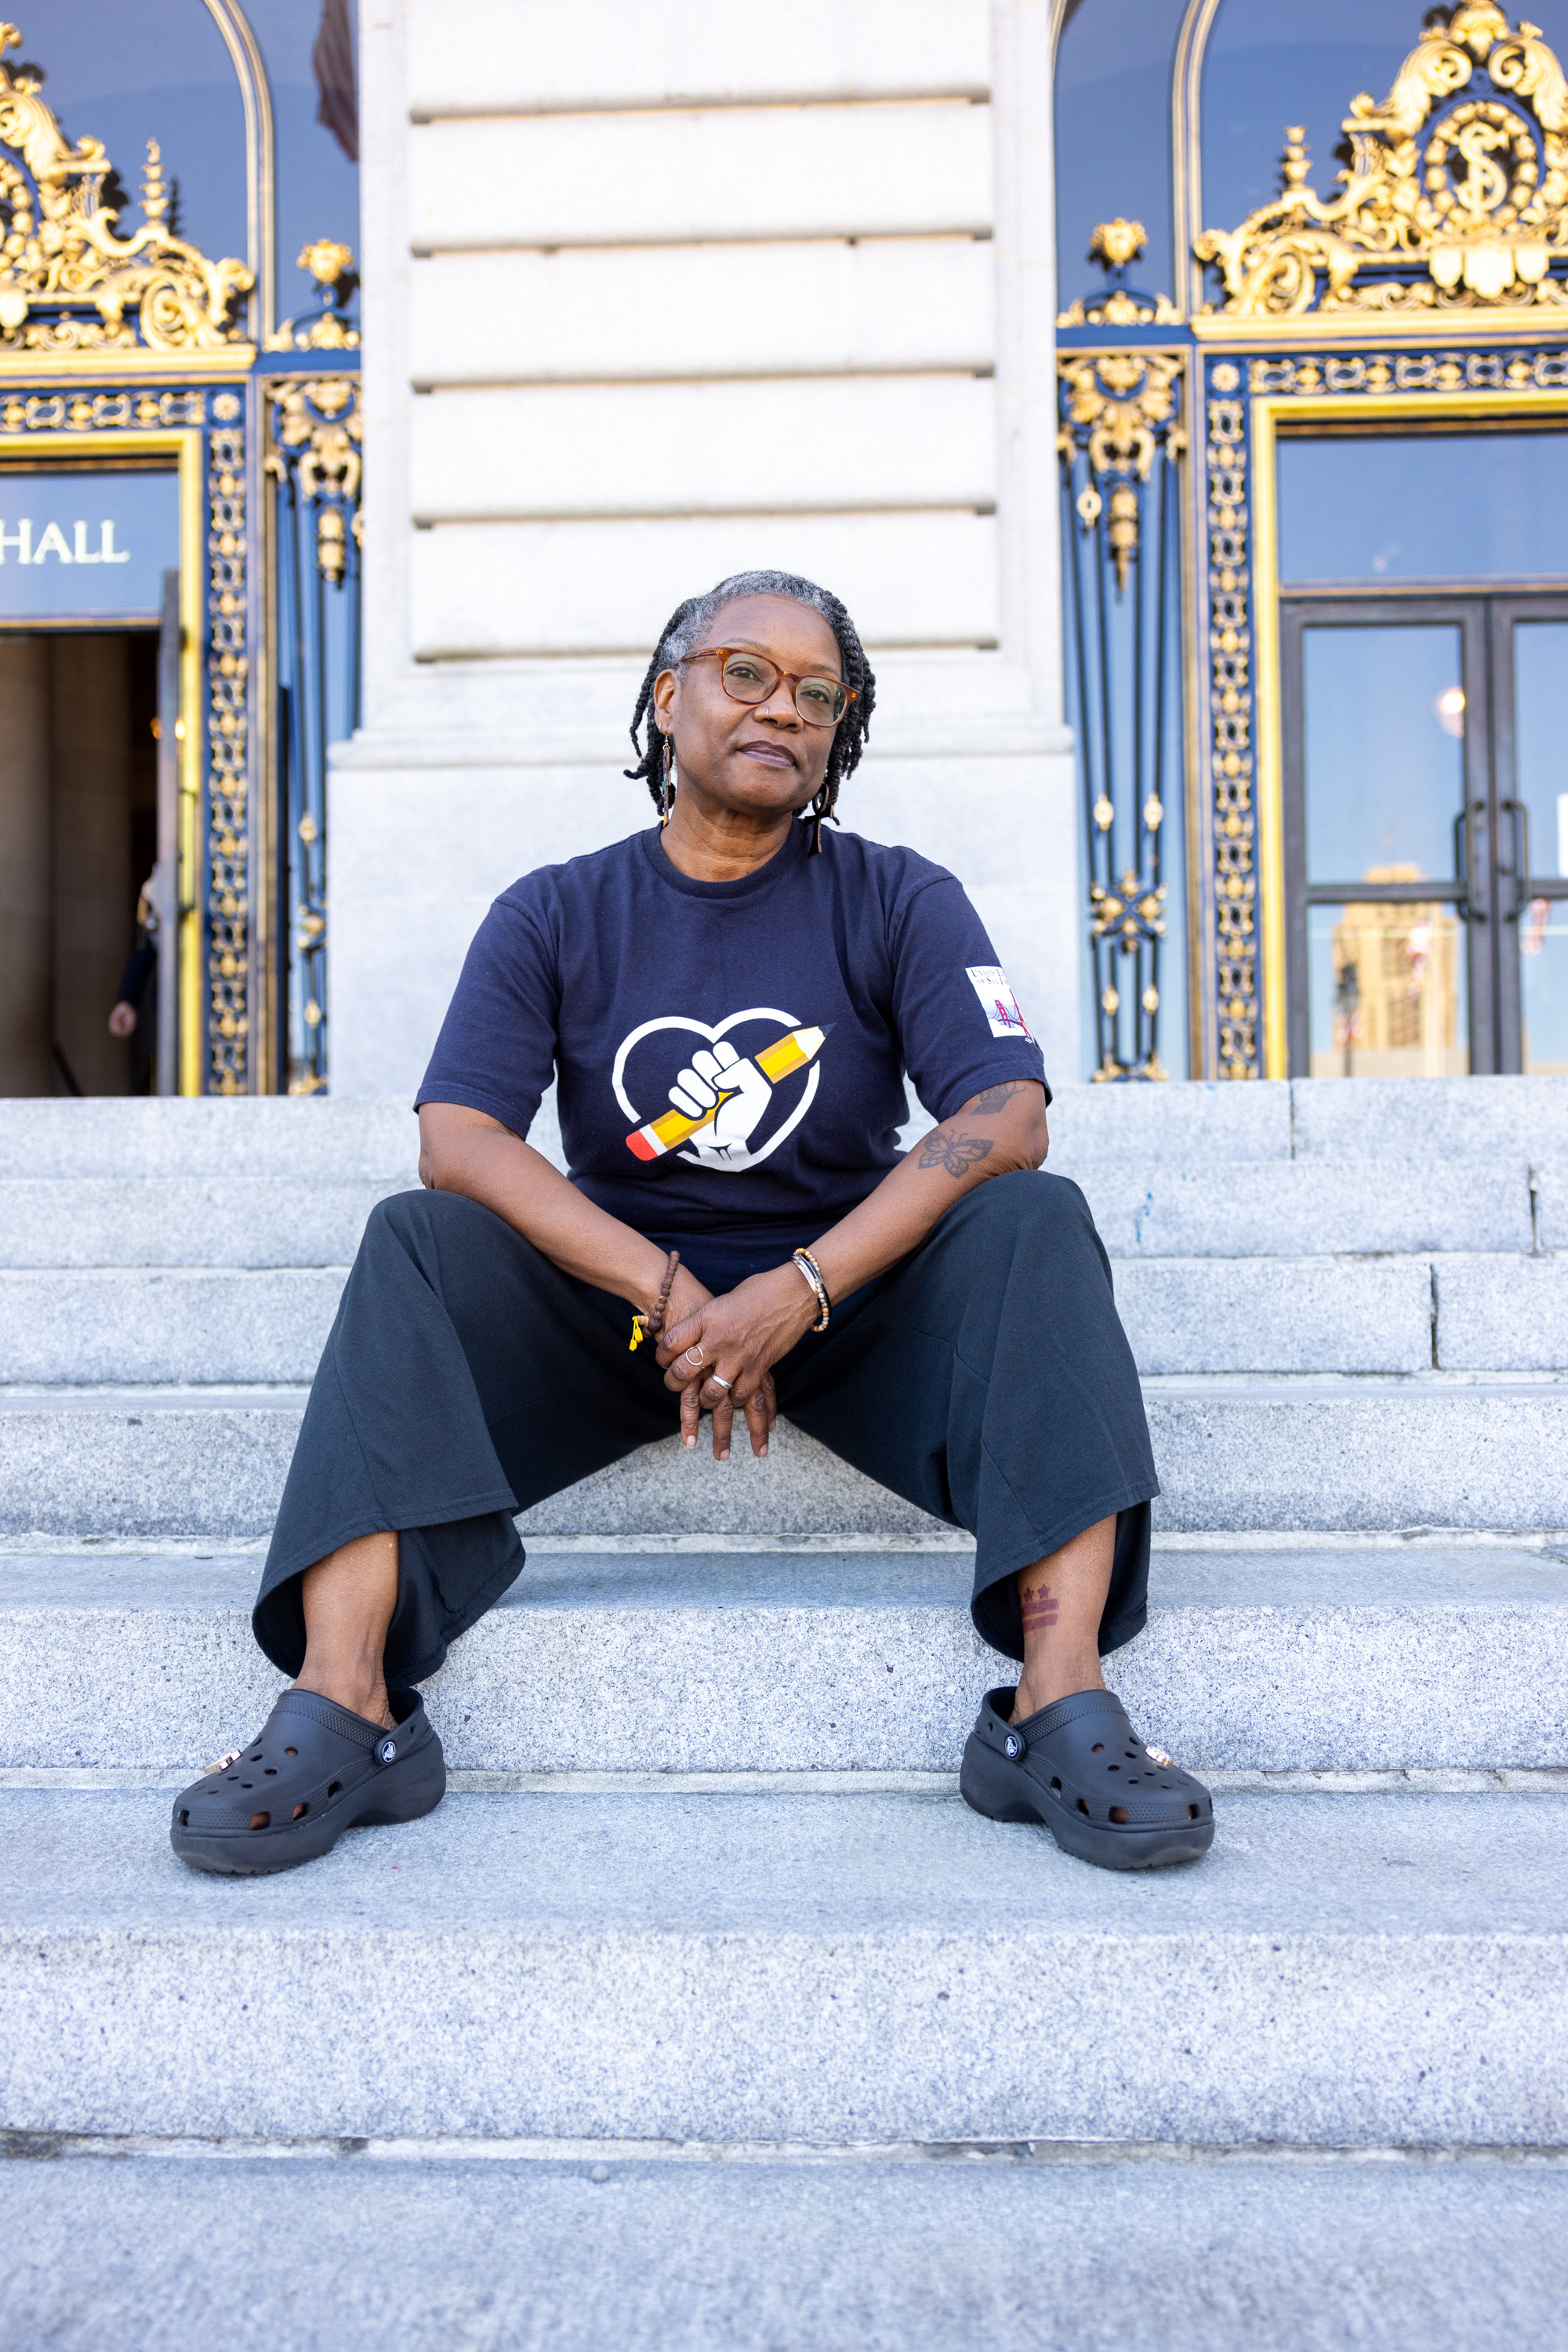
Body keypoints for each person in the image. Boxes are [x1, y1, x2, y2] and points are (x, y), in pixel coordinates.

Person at [171, 571, 1214, 1878]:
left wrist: (802, 1287)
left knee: (1037, 1219)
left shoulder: (898, 896)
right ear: (669, 699)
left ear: (841, 732)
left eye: (819, 693)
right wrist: (667, 1290)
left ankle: (1054, 1703)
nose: (784, 706)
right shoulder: (555, 909)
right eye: (747, 673)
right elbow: (459, 1137)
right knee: (411, 1242)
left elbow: (1006, 1112)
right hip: (617, 1321)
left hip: (849, 1310)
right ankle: (350, 1708)